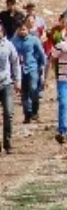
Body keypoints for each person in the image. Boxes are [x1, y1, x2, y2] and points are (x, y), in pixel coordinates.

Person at [13, 17, 45, 124]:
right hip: (20, 70)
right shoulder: (14, 41)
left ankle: (35, 111)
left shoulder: (34, 39)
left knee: (33, 89)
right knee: (24, 93)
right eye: (20, 30)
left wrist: (42, 67)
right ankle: (27, 114)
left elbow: (41, 54)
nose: (22, 32)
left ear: (28, 30)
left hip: (32, 68)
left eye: (24, 30)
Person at [0, 24, 19, 154]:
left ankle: (8, 142)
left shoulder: (8, 45)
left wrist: (18, 80)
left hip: (5, 83)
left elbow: (15, 62)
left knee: (8, 113)